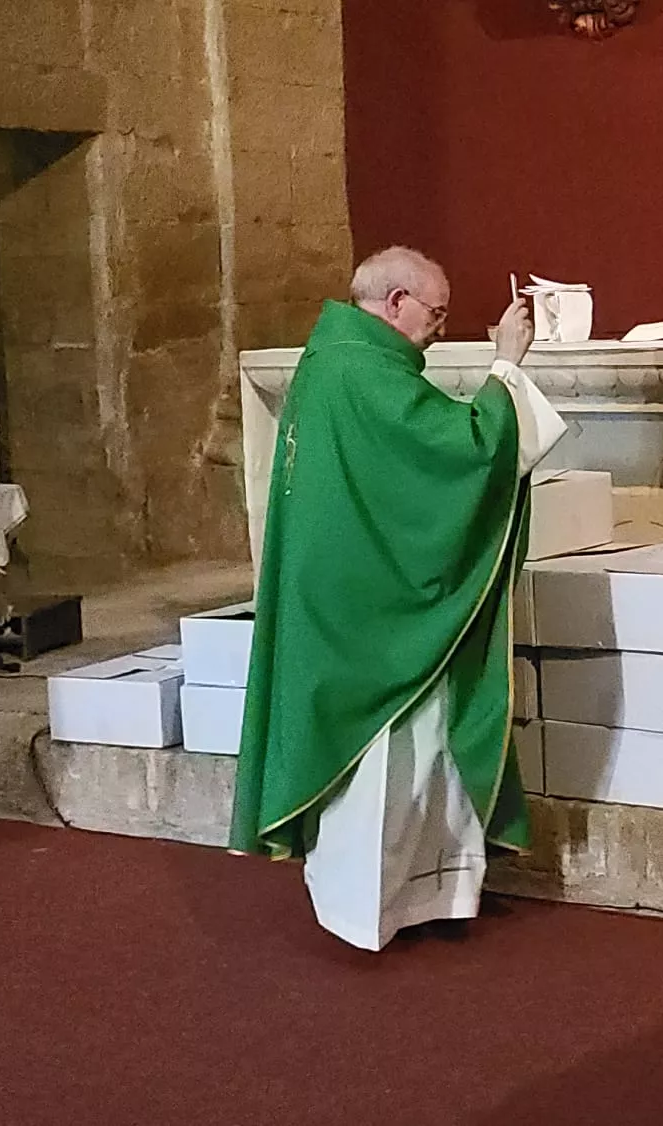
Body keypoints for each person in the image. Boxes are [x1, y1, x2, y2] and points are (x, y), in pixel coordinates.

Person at [227, 246, 567, 951]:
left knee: (406, 766)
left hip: (349, 598)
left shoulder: (339, 362)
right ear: (396, 303)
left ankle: (412, 896)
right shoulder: (363, 373)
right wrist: (507, 362)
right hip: (376, 617)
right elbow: (462, 453)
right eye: (436, 313)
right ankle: (378, 908)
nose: (440, 328)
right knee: (392, 760)